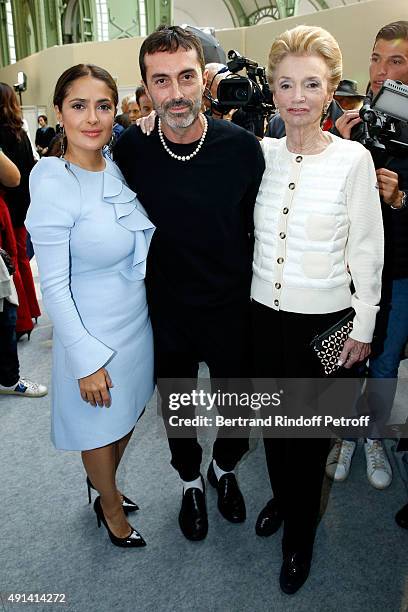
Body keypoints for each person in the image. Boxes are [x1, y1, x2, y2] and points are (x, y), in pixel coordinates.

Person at [114, 25, 265, 541]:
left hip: (230, 306)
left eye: (184, 77)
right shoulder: (130, 152)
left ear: (204, 78)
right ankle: (188, 481)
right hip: (164, 310)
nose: (175, 94)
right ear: (146, 89)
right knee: (176, 406)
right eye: (161, 81)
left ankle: (223, 470)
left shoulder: (243, 148)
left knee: (237, 407)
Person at [251, 25, 383, 594]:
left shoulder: (353, 159)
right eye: (285, 84)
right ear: (273, 91)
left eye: (310, 84)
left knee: (306, 437)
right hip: (261, 318)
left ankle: (299, 534)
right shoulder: (258, 153)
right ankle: (284, 499)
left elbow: (367, 246)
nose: (297, 97)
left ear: (331, 90)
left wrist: (366, 322)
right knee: (272, 430)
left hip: (323, 325)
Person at [26, 64, 155, 548]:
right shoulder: (54, 179)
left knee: (126, 415)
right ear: (58, 111)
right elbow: (53, 287)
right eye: (78, 105)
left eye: (103, 105)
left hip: (133, 323)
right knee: (99, 428)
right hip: (91, 330)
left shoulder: (112, 164)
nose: (93, 118)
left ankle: (102, 484)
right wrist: (84, 359)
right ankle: (110, 503)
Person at [326, 21, 408, 489]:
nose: (380, 70)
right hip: (347, 272)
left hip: (399, 272)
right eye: (377, 58)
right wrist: (340, 148)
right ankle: (344, 434)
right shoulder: (351, 126)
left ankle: (373, 434)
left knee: (383, 362)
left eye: (395, 60)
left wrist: (399, 199)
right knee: (345, 361)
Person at [0, 84, 41, 338]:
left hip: (7, 205)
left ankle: (22, 321)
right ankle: (32, 312)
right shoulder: (20, 132)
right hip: (23, 203)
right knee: (22, 260)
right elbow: (29, 167)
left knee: (10, 262)